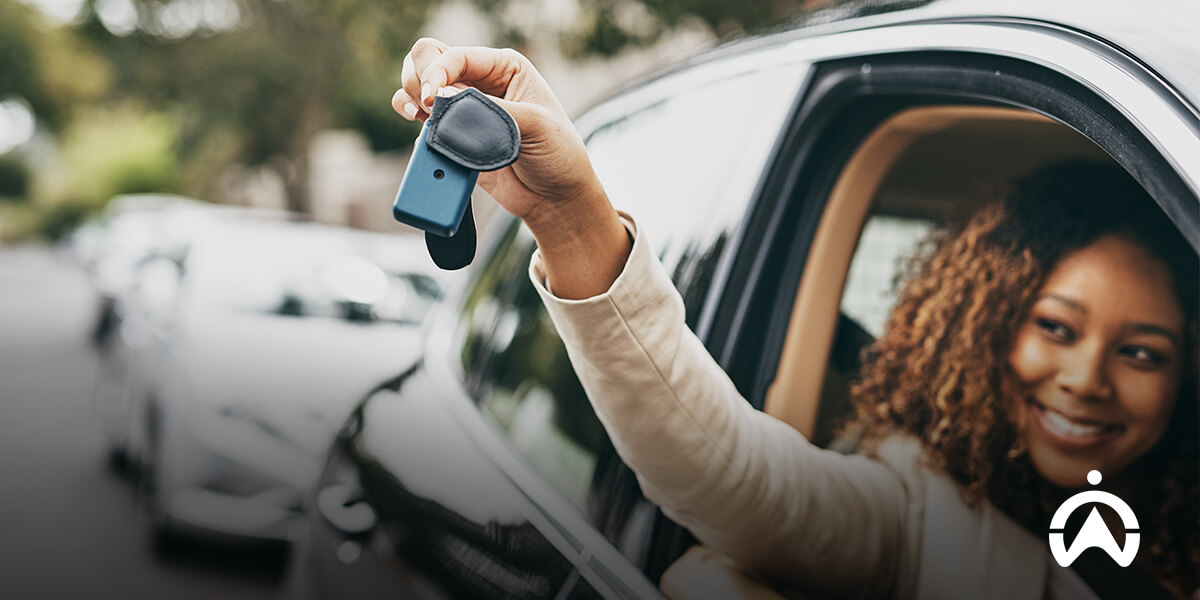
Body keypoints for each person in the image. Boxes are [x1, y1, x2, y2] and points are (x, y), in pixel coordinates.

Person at [392, 39, 1198, 599]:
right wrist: (571, 219)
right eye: (1056, 327)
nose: (1086, 379)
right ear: (990, 329)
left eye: (1142, 352)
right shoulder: (919, 516)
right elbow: (732, 476)